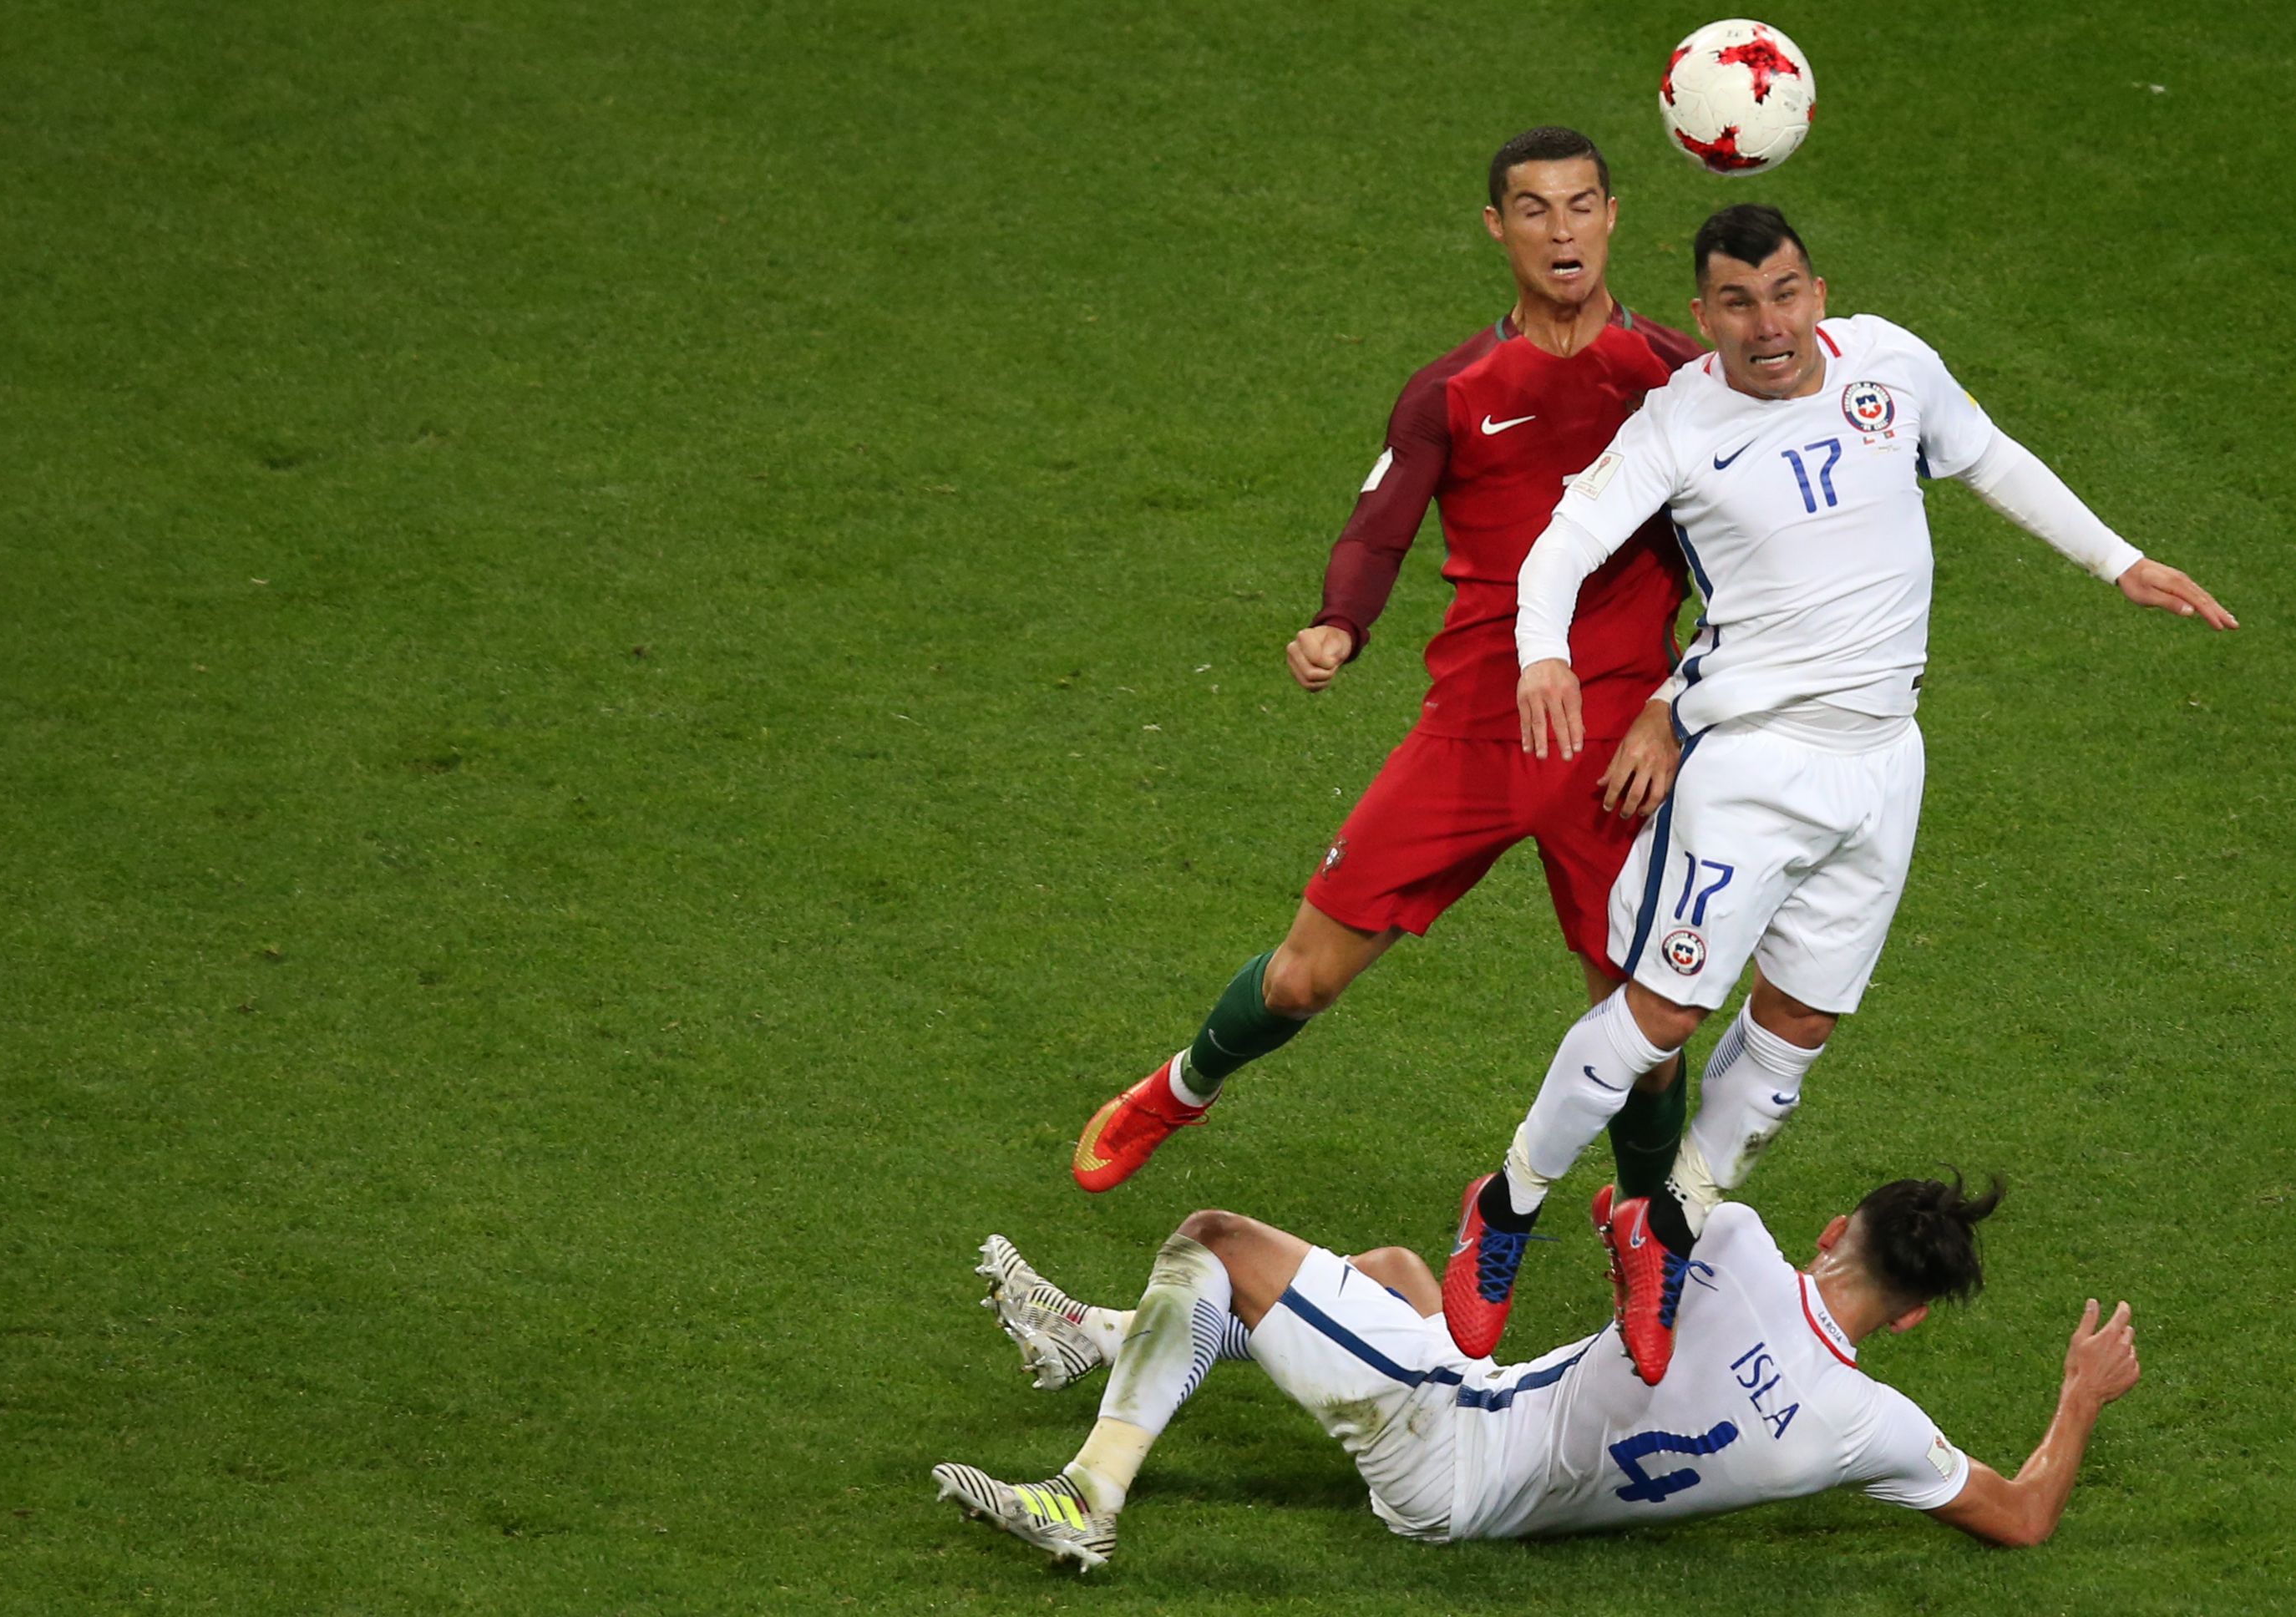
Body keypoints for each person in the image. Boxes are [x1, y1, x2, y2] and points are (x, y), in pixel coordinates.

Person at [1440, 203, 2236, 1380]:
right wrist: (1540, 652)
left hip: (1881, 764)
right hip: (1749, 764)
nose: (1767, 326)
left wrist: (2114, 560)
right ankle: (1501, 1210)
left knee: (1797, 1026)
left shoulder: (1892, 366)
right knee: (1661, 1014)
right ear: (1701, 312)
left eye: (1784, 293)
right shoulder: (1678, 424)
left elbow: (1988, 454)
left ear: (1815, 290)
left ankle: (1657, 1231)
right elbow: (1563, 538)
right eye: (1736, 303)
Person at [1074, 126, 1702, 1199]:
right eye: (1536, 209)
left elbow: (1746, 576)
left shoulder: (1675, 384)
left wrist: (1674, 710)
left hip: (1614, 746)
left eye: (1582, 204)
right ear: (1495, 227)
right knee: (1304, 974)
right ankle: (1180, 1087)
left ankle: (1645, 1228)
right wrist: (1337, 623)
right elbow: (1378, 528)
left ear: (1612, 216)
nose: (1563, 230)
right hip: (1472, 728)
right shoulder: (1451, 388)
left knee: (1643, 1020)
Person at [933, 1173, 2139, 1569]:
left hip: (1453, 1441)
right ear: (1915, 1319)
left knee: (1215, 1243)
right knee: (1399, 1274)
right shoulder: (1870, 1427)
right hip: (1499, 1484)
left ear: (1834, 1232)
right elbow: (2022, 1516)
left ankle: (1085, 1498)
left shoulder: (1732, 1244)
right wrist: (2077, 1396)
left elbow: (1631, 1196)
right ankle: (1090, 1337)